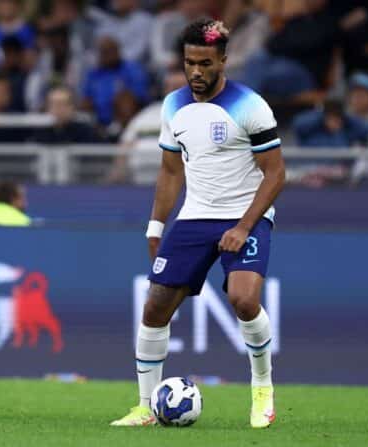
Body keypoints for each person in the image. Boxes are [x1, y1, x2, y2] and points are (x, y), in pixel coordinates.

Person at [110, 20, 285, 429]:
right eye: (190, 63)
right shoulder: (173, 106)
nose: (196, 72)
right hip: (195, 215)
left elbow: (275, 174)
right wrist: (156, 226)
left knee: (243, 299)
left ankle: (262, 391)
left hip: (246, 213)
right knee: (155, 307)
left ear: (223, 60)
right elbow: (171, 172)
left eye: (205, 63)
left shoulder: (250, 105)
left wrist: (243, 226)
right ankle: (145, 408)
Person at [80, 36, 150, 127]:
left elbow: (141, 95)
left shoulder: (132, 69)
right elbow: (86, 98)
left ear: (117, 51)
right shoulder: (93, 73)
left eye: (109, 51)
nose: (106, 55)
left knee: (125, 99)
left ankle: (121, 130)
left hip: (126, 115)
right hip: (98, 116)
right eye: (103, 52)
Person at [31, 86, 103, 144]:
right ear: (48, 108)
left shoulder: (86, 132)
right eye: (55, 104)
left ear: (72, 107)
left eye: (63, 104)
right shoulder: (40, 132)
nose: (59, 109)